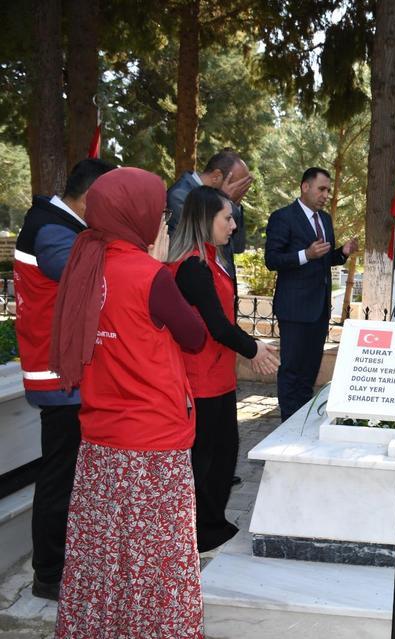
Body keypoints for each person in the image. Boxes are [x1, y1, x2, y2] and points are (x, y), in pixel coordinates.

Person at [49, 167, 208, 637]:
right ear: (135, 216)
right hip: (153, 443)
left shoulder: (86, 265)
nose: (164, 223)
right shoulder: (149, 275)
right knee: (156, 554)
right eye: (160, 213)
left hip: (101, 438)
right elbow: (195, 337)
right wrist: (156, 266)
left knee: (103, 551)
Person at [13, 158, 115, 601]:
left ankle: (60, 564)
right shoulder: (54, 229)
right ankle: (50, 573)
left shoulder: (58, 223)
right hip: (58, 376)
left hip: (62, 373)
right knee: (60, 476)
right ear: (91, 198)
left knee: (69, 473)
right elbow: (79, 276)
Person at [167, 186, 279, 553]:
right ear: (205, 220)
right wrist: (254, 349)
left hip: (217, 375)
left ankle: (211, 522)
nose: (233, 225)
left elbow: (224, 320)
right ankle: (199, 530)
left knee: (223, 454)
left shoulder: (211, 259)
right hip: (199, 379)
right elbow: (216, 324)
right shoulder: (193, 266)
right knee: (206, 459)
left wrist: (247, 351)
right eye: (227, 218)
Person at [265, 167, 358, 422]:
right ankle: (288, 424)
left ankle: (302, 421)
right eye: (321, 189)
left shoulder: (325, 220)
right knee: (292, 370)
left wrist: (342, 252)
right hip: (294, 309)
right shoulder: (283, 217)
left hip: (319, 309)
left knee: (309, 371)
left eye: (328, 190)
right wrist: (306, 254)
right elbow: (272, 260)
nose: (326, 194)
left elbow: (323, 258)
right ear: (305, 187)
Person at [167, 148, 252, 271]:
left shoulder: (230, 204)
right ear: (216, 176)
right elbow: (202, 241)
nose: (239, 191)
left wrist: (233, 206)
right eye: (237, 185)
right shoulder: (180, 195)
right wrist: (225, 202)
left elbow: (237, 247)